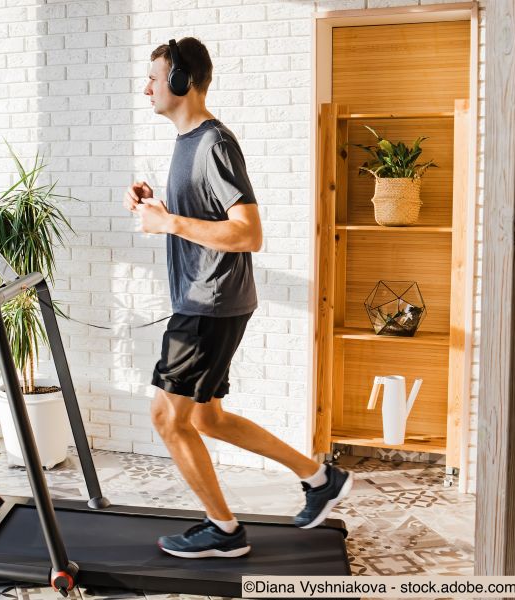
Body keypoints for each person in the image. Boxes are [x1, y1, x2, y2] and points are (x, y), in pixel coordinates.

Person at [123, 37, 353, 559]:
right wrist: (155, 206)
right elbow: (205, 219)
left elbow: (248, 233)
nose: (147, 87)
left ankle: (223, 532)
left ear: (181, 80)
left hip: (209, 303)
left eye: (154, 78)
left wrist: (167, 222)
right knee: (206, 418)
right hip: (206, 300)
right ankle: (320, 478)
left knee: (167, 417)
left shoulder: (212, 143)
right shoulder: (187, 144)